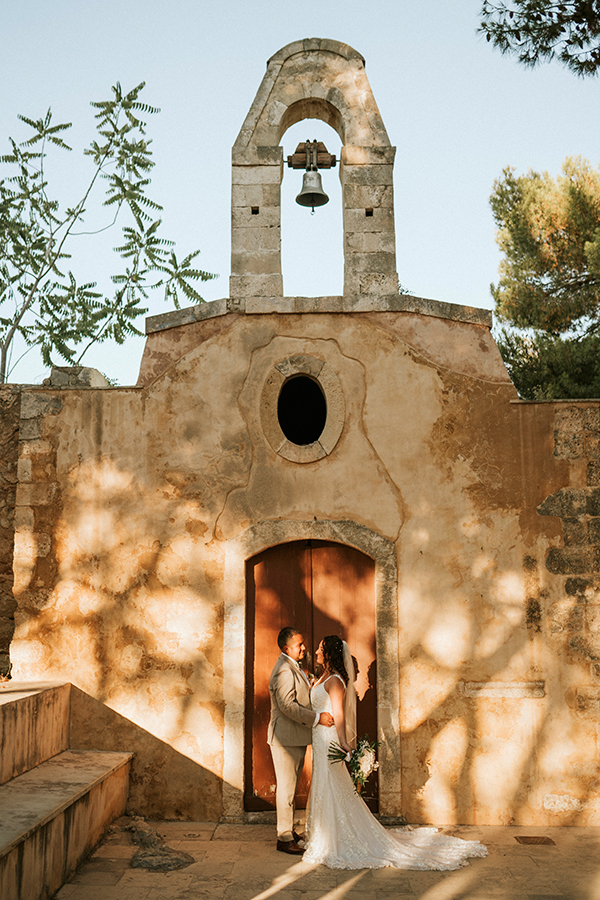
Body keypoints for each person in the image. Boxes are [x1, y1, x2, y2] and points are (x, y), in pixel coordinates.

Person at [304, 635, 488, 870]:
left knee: (332, 785)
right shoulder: (322, 677)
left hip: (329, 740)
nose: (316, 652)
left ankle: (332, 840)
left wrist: (343, 743)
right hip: (319, 738)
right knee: (324, 783)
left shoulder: (335, 681)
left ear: (329, 653)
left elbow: (339, 714)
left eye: (320, 649)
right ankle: (323, 836)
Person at [268, 627, 334, 855]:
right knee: (286, 789)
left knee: (291, 787)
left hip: (293, 737)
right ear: (287, 648)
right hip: (285, 738)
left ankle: (288, 831)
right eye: (299, 645)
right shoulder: (284, 670)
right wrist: (317, 718)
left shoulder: (291, 666)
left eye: (304, 644)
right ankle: (284, 837)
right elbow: (287, 705)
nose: (304, 648)